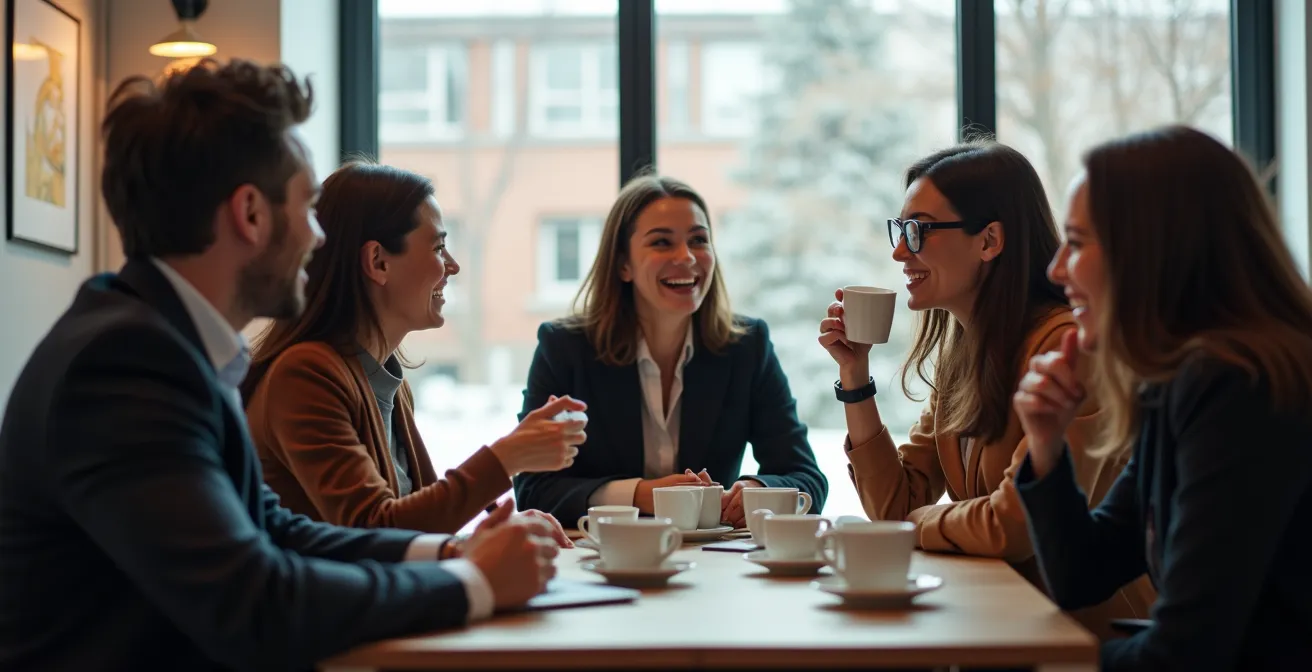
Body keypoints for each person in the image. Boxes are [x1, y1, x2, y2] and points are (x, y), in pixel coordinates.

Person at [0, 60, 558, 670]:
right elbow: (255, 604)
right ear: (251, 214)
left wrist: (451, 554)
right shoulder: (125, 368)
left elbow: (278, 530)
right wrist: (473, 585)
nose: (320, 238)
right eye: (309, 207)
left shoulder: (164, 345)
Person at [818, 140, 1151, 631]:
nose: (898, 251)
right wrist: (854, 377)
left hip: (1082, 637)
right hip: (1002, 618)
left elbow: (1012, 527)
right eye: (900, 229)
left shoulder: (1070, 352)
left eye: (918, 230)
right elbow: (897, 503)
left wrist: (914, 526)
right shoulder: (963, 356)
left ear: (990, 241)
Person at [1014, 126, 1312, 670]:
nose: (1057, 271)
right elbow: (1083, 573)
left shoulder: (1238, 384)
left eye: (1076, 244)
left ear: (1150, 252)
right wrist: (1045, 444)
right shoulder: (1179, 381)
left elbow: (1185, 653)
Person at [242, 160, 584, 543]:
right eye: (439, 247)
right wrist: (507, 457)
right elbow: (376, 530)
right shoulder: (305, 374)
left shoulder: (384, 375)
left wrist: (490, 532)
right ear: (378, 262)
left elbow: (415, 522)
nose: (452, 266)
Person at [513, 174, 827, 526]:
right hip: (604, 564)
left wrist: (757, 490)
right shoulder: (565, 349)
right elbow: (532, 489)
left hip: (716, 567)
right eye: (662, 242)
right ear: (623, 265)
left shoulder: (747, 346)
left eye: (698, 240)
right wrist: (640, 494)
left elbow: (807, 478)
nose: (688, 258)